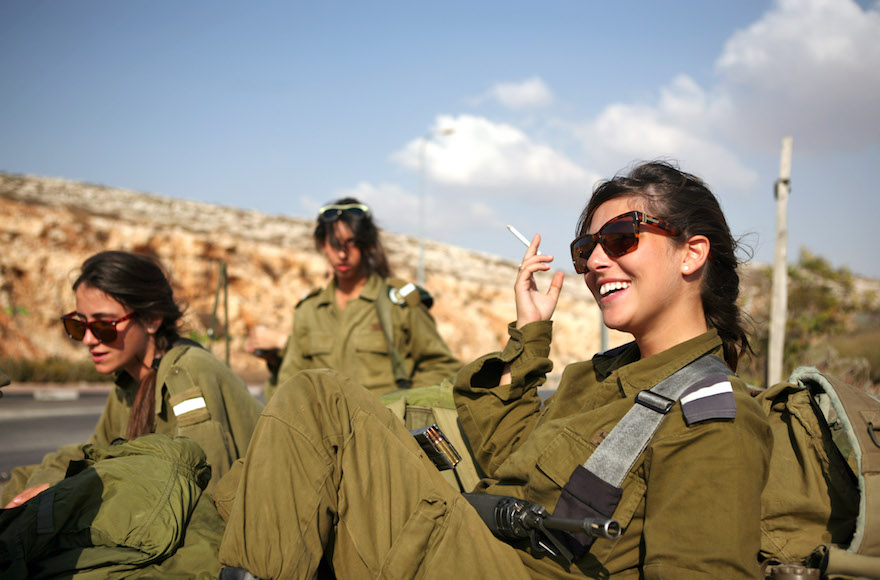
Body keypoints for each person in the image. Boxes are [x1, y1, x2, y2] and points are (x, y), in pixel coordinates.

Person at [216, 161, 772, 579]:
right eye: (586, 249)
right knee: (237, 485)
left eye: (621, 238)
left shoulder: (712, 412)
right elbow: (509, 461)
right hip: (486, 543)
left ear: (691, 253)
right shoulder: (600, 376)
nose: (597, 261)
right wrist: (529, 338)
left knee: (321, 401)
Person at [1, 250, 264, 508]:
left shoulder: (186, 372)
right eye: (79, 324)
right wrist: (51, 481)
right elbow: (95, 453)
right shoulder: (130, 382)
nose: (89, 339)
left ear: (151, 319)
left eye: (104, 325)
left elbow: (202, 491)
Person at [249, 197, 460, 402]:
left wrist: (403, 407)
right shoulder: (309, 311)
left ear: (368, 246)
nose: (342, 254)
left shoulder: (399, 305)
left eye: (352, 243)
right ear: (323, 245)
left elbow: (441, 367)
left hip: (385, 429)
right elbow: (291, 382)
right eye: (335, 243)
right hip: (326, 430)